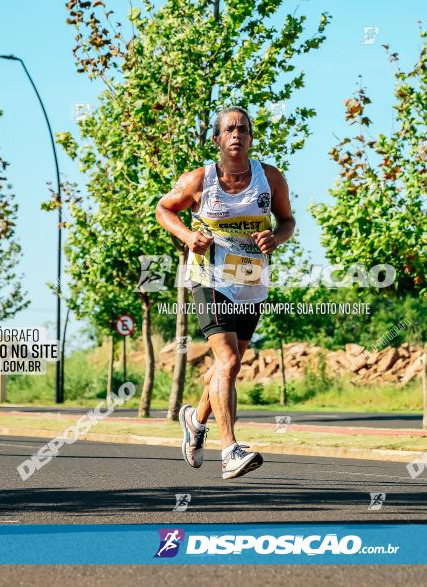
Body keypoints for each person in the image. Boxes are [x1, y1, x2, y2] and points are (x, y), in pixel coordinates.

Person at [155, 106, 294, 479]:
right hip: (209, 279)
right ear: (217, 139)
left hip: (250, 280)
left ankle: (195, 420)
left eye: (243, 129)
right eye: (229, 129)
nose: (236, 134)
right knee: (229, 362)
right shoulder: (200, 180)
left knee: (226, 368)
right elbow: (163, 208)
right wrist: (187, 236)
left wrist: (275, 238)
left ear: (250, 138)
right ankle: (230, 450)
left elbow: (288, 221)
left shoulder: (271, 179)